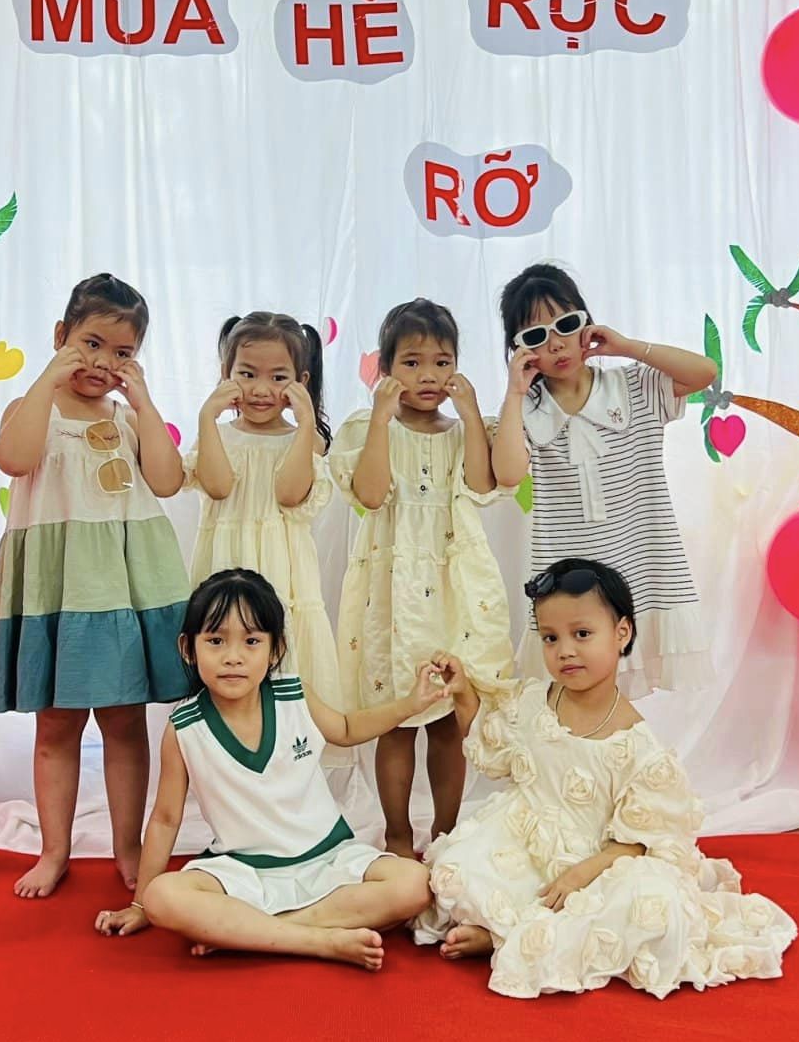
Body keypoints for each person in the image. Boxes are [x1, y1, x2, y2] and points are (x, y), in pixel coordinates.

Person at [417, 558, 797, 999]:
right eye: (551, 638)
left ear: (622, 633)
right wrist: (463, 690)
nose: (565, 650)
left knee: (650, 904)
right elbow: (489, 740)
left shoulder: (638, 747)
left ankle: (507, 934)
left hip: (600, 858)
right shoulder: (535, 701)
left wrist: (581, 873)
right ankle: (509, 926)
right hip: (526, 836)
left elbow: (641, 840)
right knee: (458, 870)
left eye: (582, 634)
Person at [93, 569, 435, 970]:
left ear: (276, 650)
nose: (233, 656)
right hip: (244, 872)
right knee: (162, 897)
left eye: (251, 641)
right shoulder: (184, 728)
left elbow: (345, 729)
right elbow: (166, 819)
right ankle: (318, 940)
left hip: (328, 858)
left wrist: (412, 704)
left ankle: (251, 933)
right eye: (216, 641)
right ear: (188, 648)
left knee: (414, 884)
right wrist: (139, 904)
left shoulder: (294, 695)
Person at [0, 273, 190, 899]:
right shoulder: (32, 409)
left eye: (122, 352)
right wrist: (49, 377)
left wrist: (144, 403)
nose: (102, 362)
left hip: (121, 587)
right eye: (91, 344)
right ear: (61, 336)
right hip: (56, 587)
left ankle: (128, 847)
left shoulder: (126, 419)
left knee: (124, 723)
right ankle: (54, 851)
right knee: (55, 726)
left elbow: (168, 480)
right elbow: (13, 458)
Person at [332, 299, 514, 859]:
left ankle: (446, 829)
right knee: (396, 717)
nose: (429, 376)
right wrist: (380, 418)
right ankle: (396, 832)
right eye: (412, 363)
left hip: (453, 589)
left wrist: (473, 412)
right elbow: (369, 495)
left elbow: (481, 486)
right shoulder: (368, 428)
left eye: (442, 362)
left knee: (447, 718)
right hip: (390, 591)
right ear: (386, 369)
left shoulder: (463, 431)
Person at [492, 263, 717, 697]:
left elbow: (704, 372)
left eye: (566, 325)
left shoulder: (631, 386)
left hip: (640, 568)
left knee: (616, 691)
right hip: (566, 577)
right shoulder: (527, 410)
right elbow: (508, 473)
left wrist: (628, 347)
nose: (556, 344)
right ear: (519, 350)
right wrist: (515, 393)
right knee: (572, 694)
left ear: (587, 323)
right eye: (535, 336)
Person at [185, 312, 342, 756]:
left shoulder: (306, 441)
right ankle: (229, 771)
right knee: (227, 674)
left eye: (278, 377)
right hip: (226, 567)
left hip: (283, 576)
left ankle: (288, 771)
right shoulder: (218, 436)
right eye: (247, 374)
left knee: (282, 675)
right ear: (226, 373)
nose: (260, 389)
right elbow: (218, 486)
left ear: (301, 382)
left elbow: (289, 494)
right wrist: (207, 415)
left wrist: (306, 420)